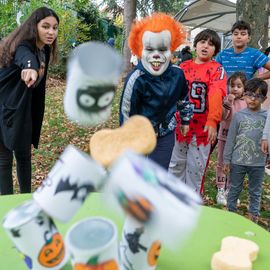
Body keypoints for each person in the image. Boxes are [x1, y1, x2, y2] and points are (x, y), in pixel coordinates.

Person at [119, 13, 193, 170]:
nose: (156, 55)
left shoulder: (177, 74)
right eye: (150, 49)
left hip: (165, 131)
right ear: (140, 49)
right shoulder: (136, 79)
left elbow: (183, 98)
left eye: (162, 49)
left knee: (157, 173)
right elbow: (126, 111)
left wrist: (186, 120)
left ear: (171, 49)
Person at [0, 7, 59, 195]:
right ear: (34, 27)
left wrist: (35, 119)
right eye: (46, 26)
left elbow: (38, 91)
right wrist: (30, 67)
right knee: (4, 158)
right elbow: (24, 57)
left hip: (20, 108)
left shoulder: (45, 51)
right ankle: (6, 206)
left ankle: (26, 200)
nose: (51, 32)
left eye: (55, 28)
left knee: (24, 155)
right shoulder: (22, 45)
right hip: (4, 106)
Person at [168, 29, 227, 194]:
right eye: (202, 42)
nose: (206, 46)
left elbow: (216, 92)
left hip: (203, 129)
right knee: (175, 165)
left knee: (195, 169)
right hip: (180, 125)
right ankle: (172, 200)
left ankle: (191, 203)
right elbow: (173, 93)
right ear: (195, 45)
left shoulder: (217, 69)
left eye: (211, 44)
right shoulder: (183, 67)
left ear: (215, 50)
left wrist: (212, 120)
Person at [223, 78, 268, 223]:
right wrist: (226, 160)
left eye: (258, 96)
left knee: (255, 191)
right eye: (250, 94)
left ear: (264, 98)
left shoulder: (267, 117)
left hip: (258, 163)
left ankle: (253, 216)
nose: (253, 99)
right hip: (238, 161)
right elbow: (230, 139)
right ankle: (230, 213)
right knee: (234, 188)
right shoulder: (239, 116)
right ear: (244, 95)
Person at [215, 72, 247, 205]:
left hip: (239, 140)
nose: (235, 89)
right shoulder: (226, 99)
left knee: (235, 165)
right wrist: (228, 102)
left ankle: (230, 190)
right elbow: (222, 116)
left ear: (244, 88)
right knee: (222, 163)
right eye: (232, 85)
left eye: (239, 86)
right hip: (224, 137)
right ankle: (221, 189)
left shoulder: (246, 102)